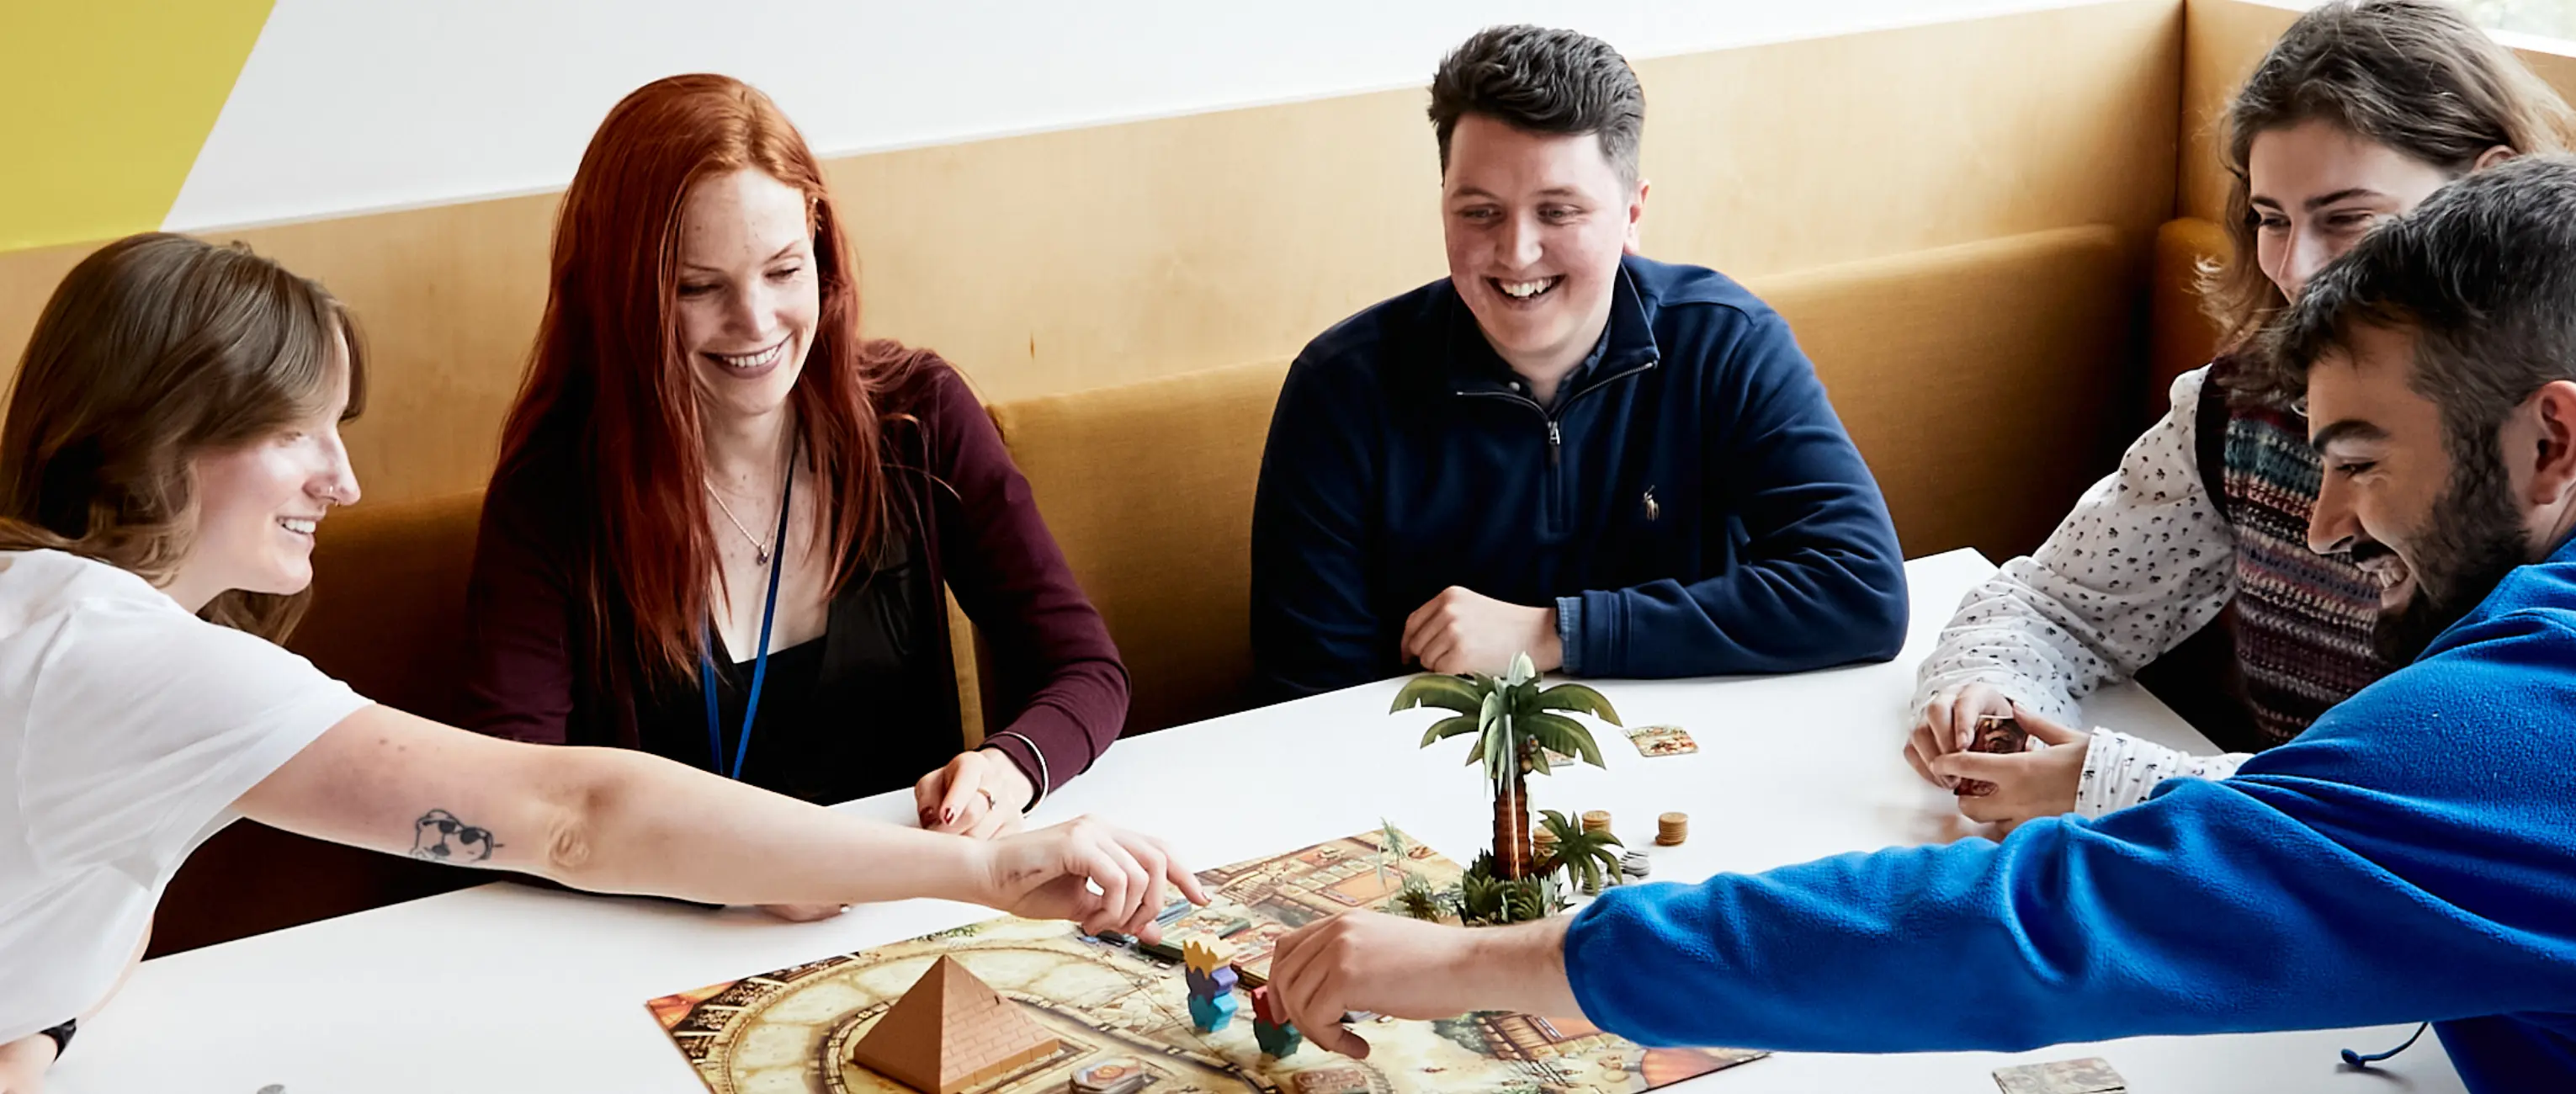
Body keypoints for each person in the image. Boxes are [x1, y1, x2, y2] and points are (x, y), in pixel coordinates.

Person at [1262, 158, 2576, 1089]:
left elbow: (2033, 927)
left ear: (2552, 438)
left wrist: (1486, 965)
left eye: (2364, 450)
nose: (2331, 510)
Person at [0, 234, 1204, 1093]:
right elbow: (570, 813)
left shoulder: (61, 625)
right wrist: (985, 873)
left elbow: (66, 919)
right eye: (287, 431)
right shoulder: (125, 657)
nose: (343, 481)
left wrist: (40, 1029)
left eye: (340, 429)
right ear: (155, 436)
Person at [1909, 0, 2576, 824]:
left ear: (2486, 191)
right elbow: (2057, 604)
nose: (2295, 268)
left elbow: (2456, 805)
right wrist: (1991, 694)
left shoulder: (2556, 457)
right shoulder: (2236, 408)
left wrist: (2115, 781)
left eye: (2346, 219)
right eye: (2270, 219)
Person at [460, 75, 1129, 897]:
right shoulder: (552, 496)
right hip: (661, 936)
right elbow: (514, 807)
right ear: (619, 297)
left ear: (820, 251)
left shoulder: (918, 416)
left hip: (918, 907)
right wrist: (747, 877)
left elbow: (1086, 670)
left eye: (783, 270)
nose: (756, 322)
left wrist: (1007, 769)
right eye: (697, 287)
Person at [1249, 25, 1906, 700]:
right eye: (1479, 213)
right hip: (1441, 775)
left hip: (1697, 752)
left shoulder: (1724, 342)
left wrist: (1556, 634)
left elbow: (1860, 590)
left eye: (1558, 212)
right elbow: (1304, 692)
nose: (1516, 252)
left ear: (1631, 214)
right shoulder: (1340, 389)